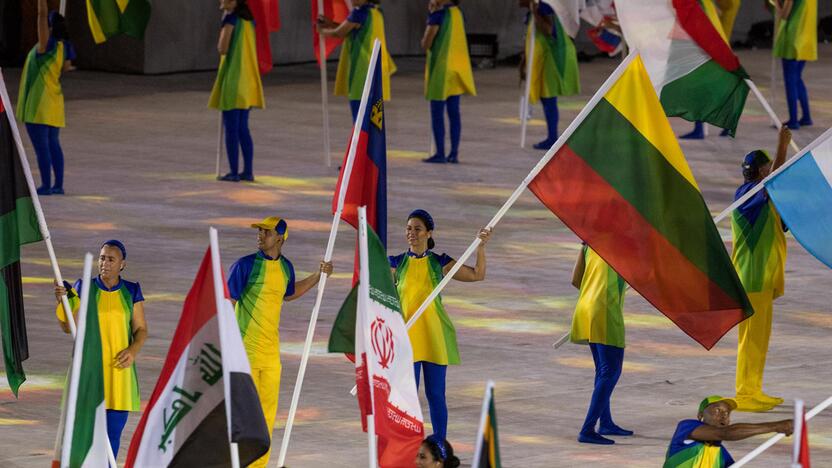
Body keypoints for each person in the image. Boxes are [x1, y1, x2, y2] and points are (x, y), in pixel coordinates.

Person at [227, 216, 332, 468]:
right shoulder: (244, 265)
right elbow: (227, 301)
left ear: (280, 238)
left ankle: (258, 465)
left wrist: (319, 275)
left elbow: (289, 292)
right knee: (242, 415)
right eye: (260, 231)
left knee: (266, 416)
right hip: (245, 351)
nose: (261, 235)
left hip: (271, 355)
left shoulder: (286, 267)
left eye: (267, 232)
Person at [389, 209, 490, 441]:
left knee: (436, 395)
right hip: (407, 339)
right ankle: (408, 445)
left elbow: (477, 275)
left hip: (433, 335)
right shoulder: (395, 263)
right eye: (408, 228)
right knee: (407, 397)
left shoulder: (440, 262)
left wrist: (481, 247)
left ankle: (440, 445)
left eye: (417, 229)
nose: (411, 233)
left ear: (428, 233)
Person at [54, 240, 147, 457]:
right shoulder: (83, 286)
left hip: (119, 376)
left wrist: (133, 350)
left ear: (122, 264)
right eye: (102, 257)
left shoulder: (132, 291)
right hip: (88, 372)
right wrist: (62, 302)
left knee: (112, 438)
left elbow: (141, 329)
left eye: (111, 259)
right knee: (84, 439)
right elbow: (69, 327)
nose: (105, 263)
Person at [731, 127, 791, 412]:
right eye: (767, 166)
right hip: (751, 278)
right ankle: (744, 393)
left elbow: (783, 224)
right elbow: (775, 181)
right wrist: (783, 146)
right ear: (759, 171)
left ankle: (754, 389)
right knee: (750, 339)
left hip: (763, 279)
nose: (771, 170)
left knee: (759, 338)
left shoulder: (765, 201)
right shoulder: (746, 196)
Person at [570, 244, 632, 444]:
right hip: (604, 311)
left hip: (585, 308)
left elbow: (576, 280)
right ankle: (587, 429)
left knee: (602, 370)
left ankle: (605, 422)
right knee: (611, 372)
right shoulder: (621, 248)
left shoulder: (589, 244)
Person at [16, 0, 76, 195]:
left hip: (39, 105)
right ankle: (58, 184)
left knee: (42, 148)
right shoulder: (62, 48)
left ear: (49, 28)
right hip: (54, 102)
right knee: (54, 145)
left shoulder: (45, 46)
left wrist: (41, 2)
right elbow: (67, 68)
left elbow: (41, 15)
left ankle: (46, 185)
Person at [209, 0, 265, 182]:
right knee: (243, 128)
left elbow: (222, 48)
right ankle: (247, 171)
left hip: (234, 79)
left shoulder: (231, 19)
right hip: (248, 80)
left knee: (231, 129)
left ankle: (233, 172)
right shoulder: (249, 21)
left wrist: (224, 24)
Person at [317, 0, 397, 122]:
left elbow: (340, 32)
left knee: (360, 121)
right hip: (375, 72)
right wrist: (329, 23)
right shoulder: (376, 12)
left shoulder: (359, 13)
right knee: (373, 122)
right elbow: (349, 28)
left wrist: (322, 31)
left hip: (361, 73)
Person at [663, 395, 793, 467]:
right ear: (700, 415)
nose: (723, 415)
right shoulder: (687, 427)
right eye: (717, 410)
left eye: (727, 412)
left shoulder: (722, 456)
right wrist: (775, 426)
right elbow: (726, 433)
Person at [519, 0, 580, 150]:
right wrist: (524, 62)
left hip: (551, 59)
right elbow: (530, 37)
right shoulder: (534, 10)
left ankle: (553, 138)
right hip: (543, 59)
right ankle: (552, 136)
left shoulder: (543, 8)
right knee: (546, 98)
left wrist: (535, 12)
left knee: (549, 98)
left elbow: (549, 30)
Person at [421, 0, 476, 164]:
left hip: (441, 70)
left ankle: (440, 153)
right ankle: (454, 153)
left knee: (437, 114)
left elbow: (426, 43)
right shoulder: (458, 13)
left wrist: (431, 15)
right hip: (457, 69)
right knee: (454, 113)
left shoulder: (438, 15)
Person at [773, 0, 817, 130]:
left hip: (792, 40)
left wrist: (776, 3)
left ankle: (793, 120)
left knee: (790, 81)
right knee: (797, 79)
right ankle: (806, 117)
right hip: (806, 41)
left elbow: (785, 15)